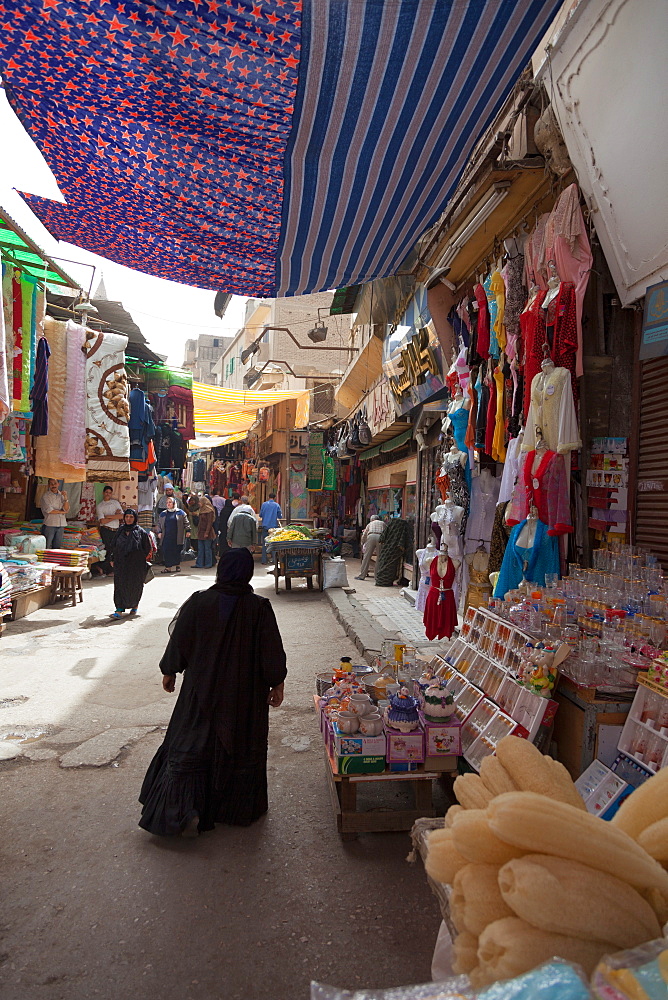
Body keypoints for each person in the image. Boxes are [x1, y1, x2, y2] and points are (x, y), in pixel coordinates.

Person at [138, 549, 287, 837]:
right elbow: (271, 653)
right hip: (243, 697)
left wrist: (169, 670)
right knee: (237, 745)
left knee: (194, 741)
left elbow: (181, 640)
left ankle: (184, 808)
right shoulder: (258, 607)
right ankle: (232, 810)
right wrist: (277, 683)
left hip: (200, 691)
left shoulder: (199, 601)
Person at [110, 509, 153, 619]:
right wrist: (112, 558)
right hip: (121, 564)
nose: (128, 519)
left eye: (131, 517)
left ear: (135, 519)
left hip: (136, 566)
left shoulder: (141, 532)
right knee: (119, 585)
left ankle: (134, 605)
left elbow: (147, 547)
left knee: (135, 586)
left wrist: (138, 557)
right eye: (127, 517)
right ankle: (119, 609)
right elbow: (113, 546)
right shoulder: (120, 531)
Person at [157, 497, 190, 574]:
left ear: (174, 503)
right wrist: (159, 532)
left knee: (176, 551)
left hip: (177, 536)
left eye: (170, 502)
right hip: (166, 536)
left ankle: (177, 565)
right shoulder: (163, 514)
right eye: (167, 502)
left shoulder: (181, 513)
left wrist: (188, 530)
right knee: (167, 551)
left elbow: (186, 523)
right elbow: (159, 524)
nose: (168, 504)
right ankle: (168, 567)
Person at [96, 485, 124, 575]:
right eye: (106, 492)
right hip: (106, 530)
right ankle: (106, 569)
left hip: (116, 529)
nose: (108, 494)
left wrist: (109, 516)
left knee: (115, 549)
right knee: (108, 549)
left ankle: (105, 568)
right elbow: (102, 521)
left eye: (110, 492)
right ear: (103, 493)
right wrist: (114, 517)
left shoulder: (115, 503)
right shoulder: (100, 506)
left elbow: (121, 516)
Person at [40, 479, 69, 549]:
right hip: (50, 524)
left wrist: (65, 498)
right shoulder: (46, 496)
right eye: (51, 484)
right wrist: (61, 512)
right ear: (49, 485)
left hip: (61, 524)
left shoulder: (61, 495)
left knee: (57, 547)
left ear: (58, 484)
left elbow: (66, 509)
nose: (53, 485)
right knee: (46, 545)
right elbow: (50, 510)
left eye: (55, 483)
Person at [355, 515, 386, 580]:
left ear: (372, 520)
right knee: (379, 557)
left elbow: (365, 534)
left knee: (366, 556)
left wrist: (362, 543)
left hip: (371, 536)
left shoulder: (370, 524)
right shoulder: (383, 523)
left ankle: (362, 576)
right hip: (380, 537)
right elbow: (386, 532)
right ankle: (377, 577)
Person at [259, 492, 282, 564]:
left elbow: (260, 515)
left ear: (268, 497)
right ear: (275, 498)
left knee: (264, 544)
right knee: (274, 544)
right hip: (273, 528)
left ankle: (264, 560)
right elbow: (280, 516)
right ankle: (274, 560)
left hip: (265, 526)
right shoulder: (276, 505)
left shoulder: (264, 504)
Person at [195, 494, 216, 569]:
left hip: (207, 533)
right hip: (201, 532)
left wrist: (207, 532)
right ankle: (199, 563)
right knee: (200, 549)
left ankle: (208, 563)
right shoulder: (201, 510)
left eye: (200, 502)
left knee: (207, 549)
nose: (199, 503)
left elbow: (209, 523)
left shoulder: (209, 511)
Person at [186, 493, 200, 558]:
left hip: (196, 527)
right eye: (190, 500)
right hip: (190, 526)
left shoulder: (199, 508)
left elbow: (195, 514)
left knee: (196, 540)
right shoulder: (190, 508)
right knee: (192, 540)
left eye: (193, 500)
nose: (191, 502)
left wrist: (190, 513)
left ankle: (198, 553)